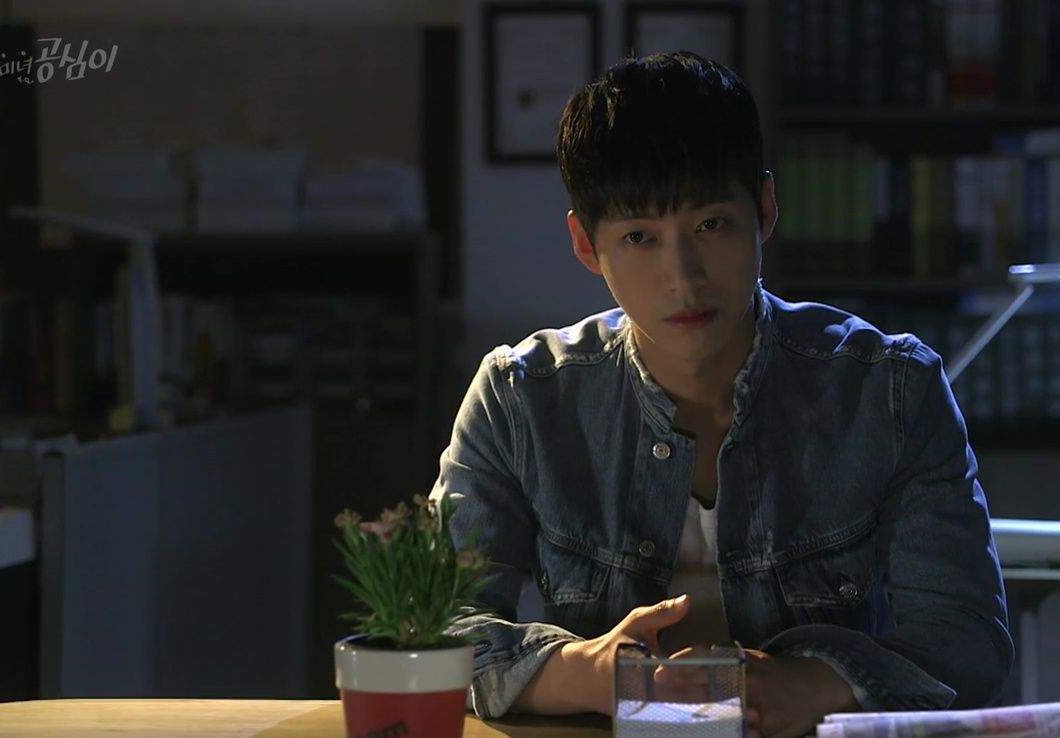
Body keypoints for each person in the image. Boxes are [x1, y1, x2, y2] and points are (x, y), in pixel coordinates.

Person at [429, 51, 1013, 738]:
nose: (683, 277)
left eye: (711, 225)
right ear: (586, 244)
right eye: (640, 237)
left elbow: (968, 638)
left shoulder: (890, 390)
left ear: (763, 209)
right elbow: (436, 626)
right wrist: (588, 673)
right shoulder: (521, 398)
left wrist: (816, 683)